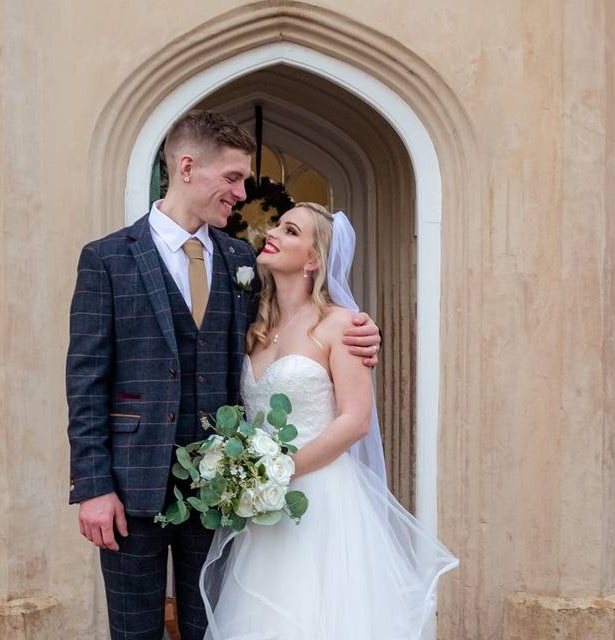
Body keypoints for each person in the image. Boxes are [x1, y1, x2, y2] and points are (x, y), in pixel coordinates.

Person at [65, 111, 382, 640]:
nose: (241, 192)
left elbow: (301, 321)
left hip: (222, 493)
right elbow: (85, 381)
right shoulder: (106, 260)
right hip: (129, 487)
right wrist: (93, 486)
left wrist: (364, 330)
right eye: (232, 178)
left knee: (213, 629)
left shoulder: (241, 262)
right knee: (133, 633)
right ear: (188, 167)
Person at [200, 203, 458, 639]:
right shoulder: (255, 326)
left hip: (320, 498)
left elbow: (355, 421)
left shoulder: (342, 325)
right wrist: (254, 481)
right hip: (264, 507)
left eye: (291, 230)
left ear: (314, 259)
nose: (274, 232)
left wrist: (275, 472)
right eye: (277, 225)